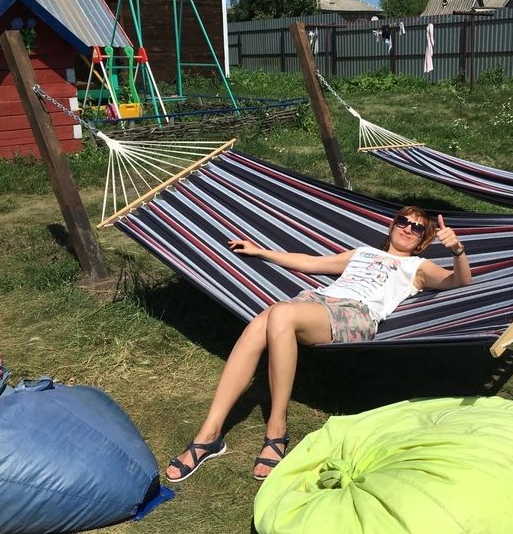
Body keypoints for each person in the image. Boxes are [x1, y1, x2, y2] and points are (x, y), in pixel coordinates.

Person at [166, 206, 471, 483]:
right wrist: (260, 251)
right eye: (403, 221)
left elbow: (459, 281)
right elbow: (312, 263)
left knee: (280, 314)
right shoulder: (362, 253)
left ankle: (277, 429)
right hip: (318, 301)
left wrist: (457, 251)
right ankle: (209, 434)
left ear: (422, 241)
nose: (407, 228)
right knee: (261, 322)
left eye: (417, 228)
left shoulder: (417, 267)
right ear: (393, 225)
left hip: (356, 314)